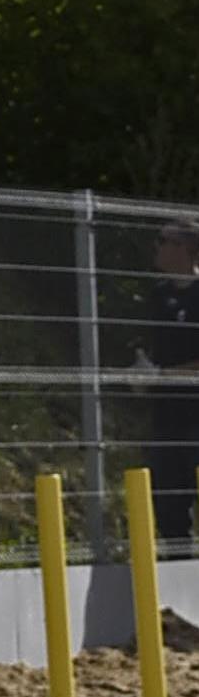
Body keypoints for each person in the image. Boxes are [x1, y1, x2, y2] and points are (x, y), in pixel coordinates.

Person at [139, 217, 199, 552]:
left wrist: (164, 375)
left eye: (163, 241)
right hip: (166, 417)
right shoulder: (158, 297)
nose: (157, 248)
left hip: (196, 416)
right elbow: (157, 351)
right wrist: (142, 374)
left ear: (184, 248)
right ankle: (180, 571)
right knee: (167, 502)